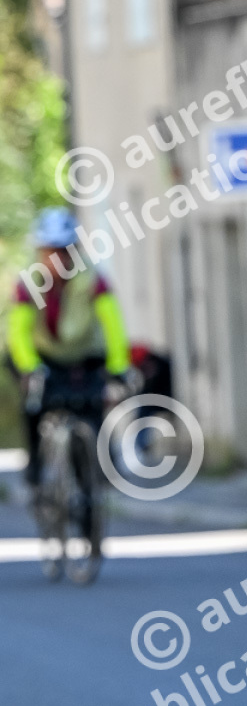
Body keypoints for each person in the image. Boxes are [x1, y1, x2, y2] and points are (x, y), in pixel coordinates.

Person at [7, 206, 132, 494]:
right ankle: (36, 465)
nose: (57, 258)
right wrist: (29, 367)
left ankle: (97, 469)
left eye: (64, 251)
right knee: (33, 404)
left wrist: (118, 366)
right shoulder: (29, 283)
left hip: (86, 355)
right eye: (50, 251)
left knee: (93, 409)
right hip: (45, 357)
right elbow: (18, 331)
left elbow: (113, 324)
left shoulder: (93, 279)